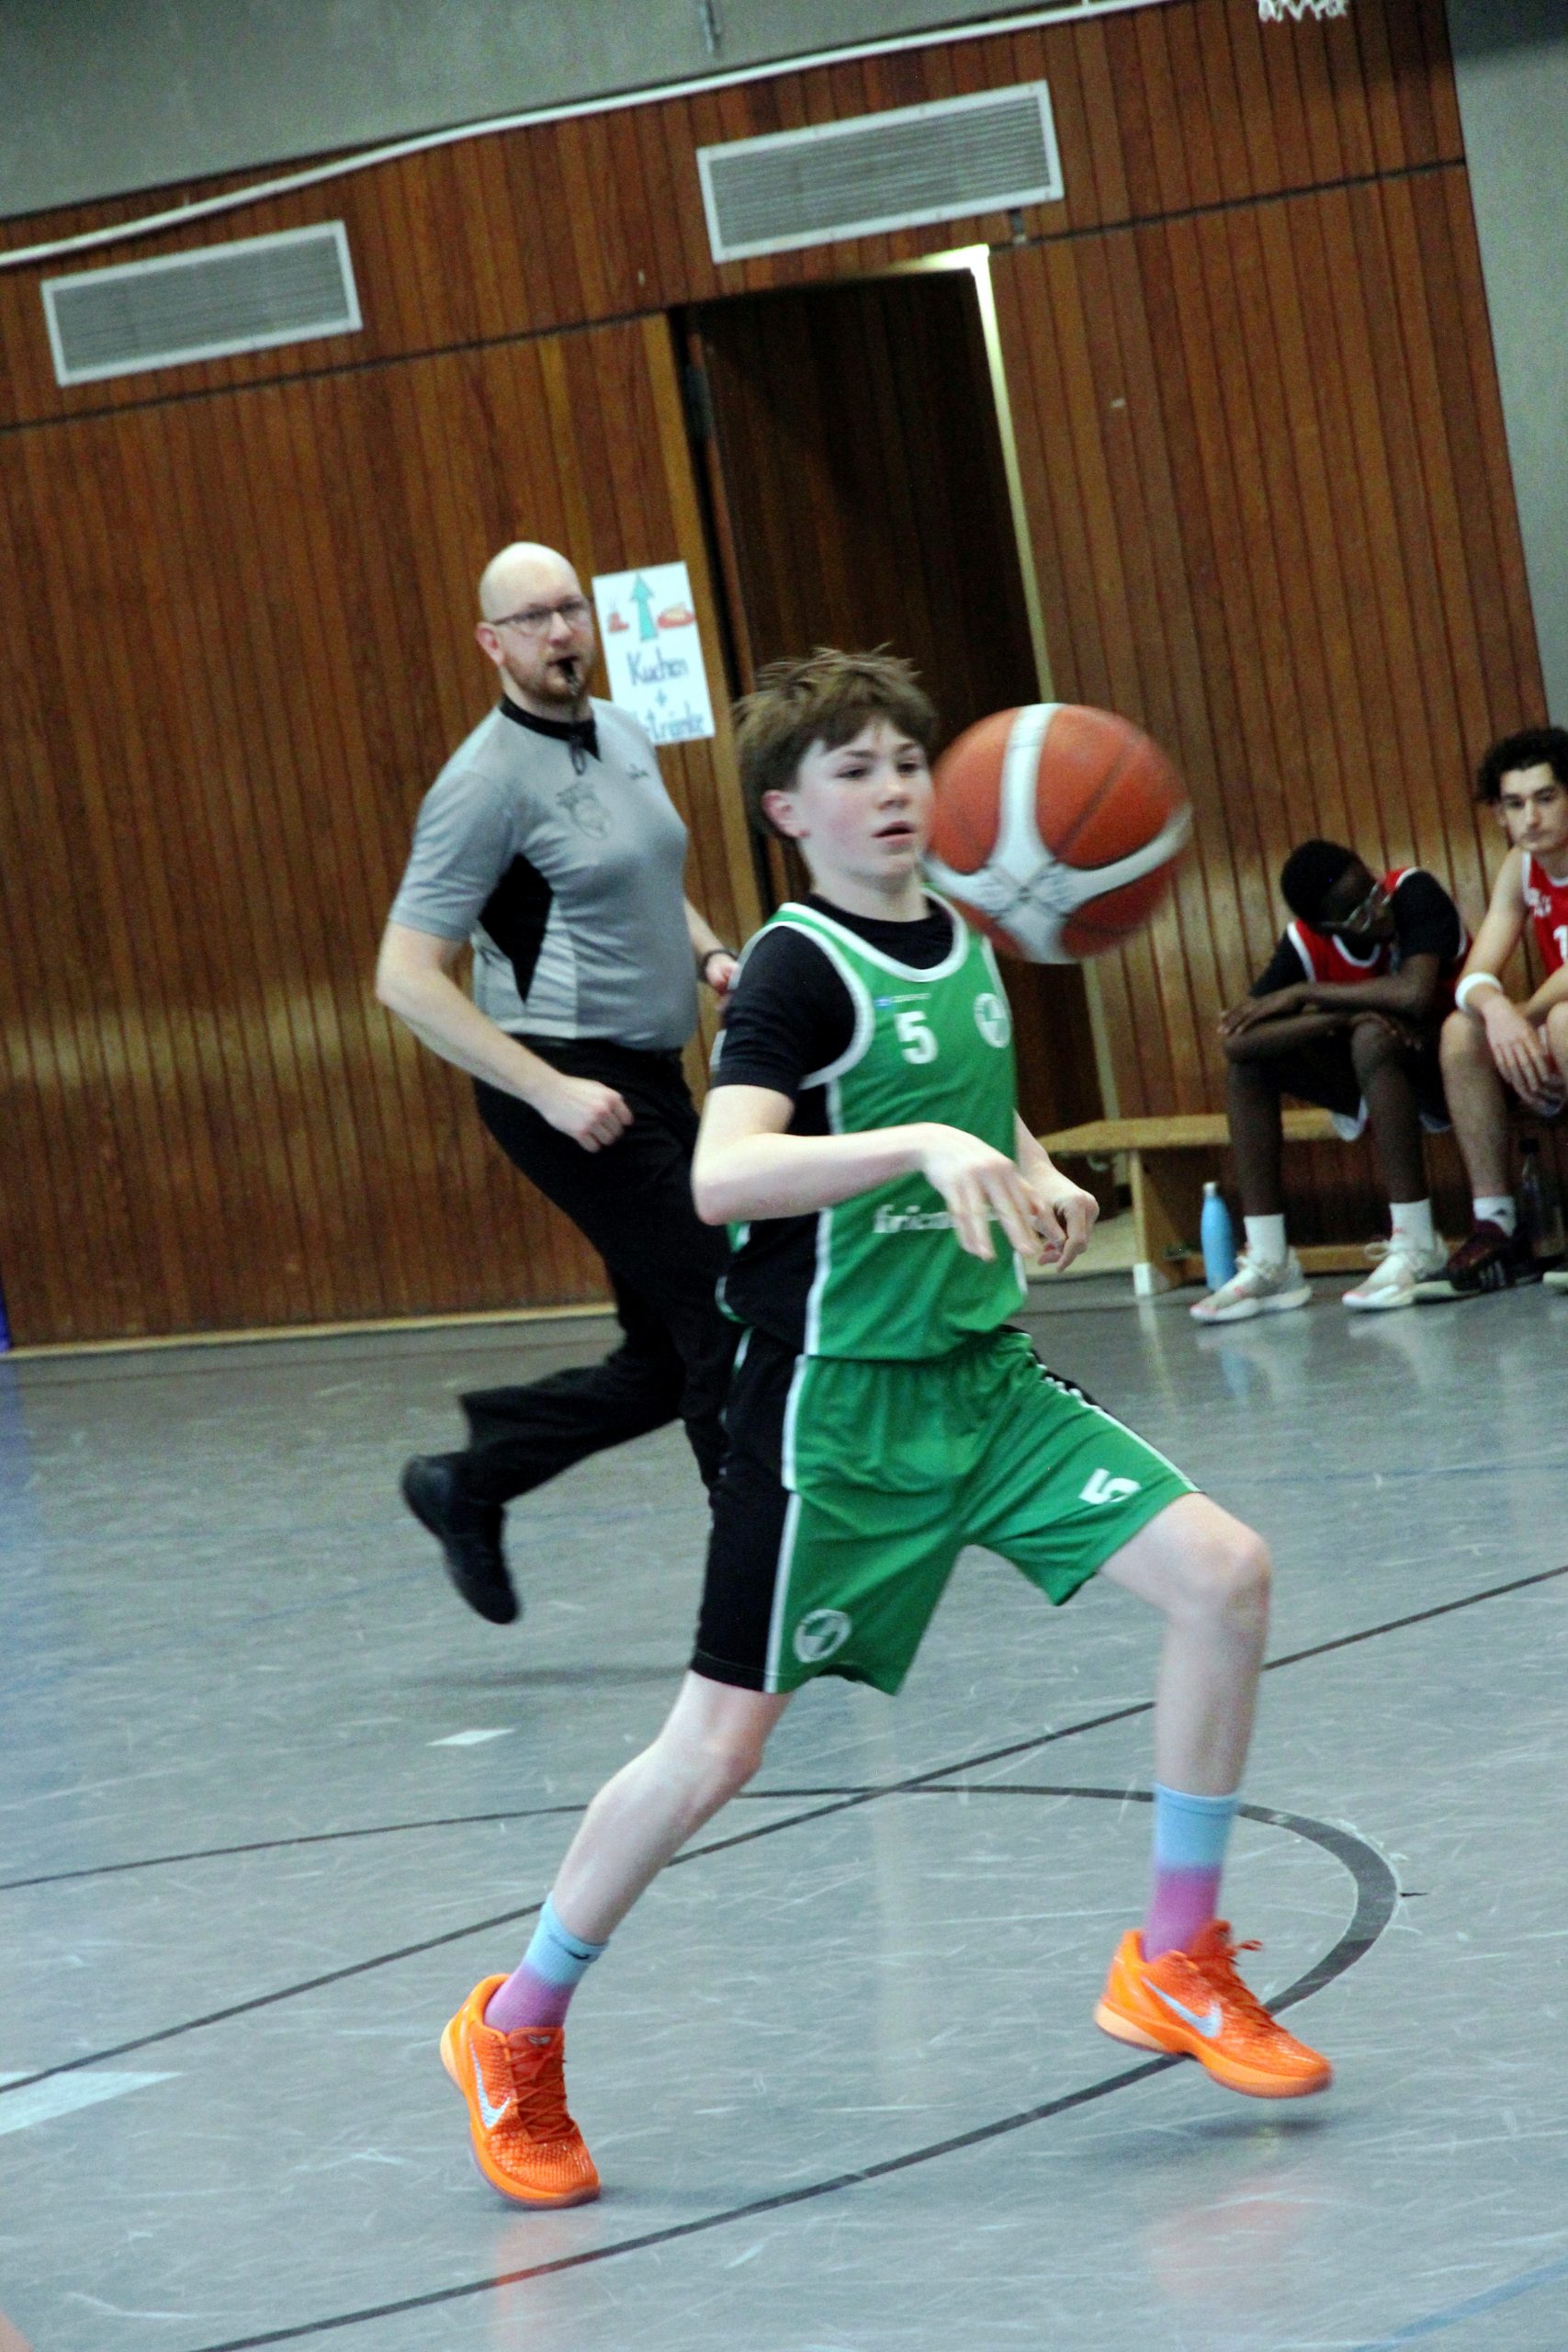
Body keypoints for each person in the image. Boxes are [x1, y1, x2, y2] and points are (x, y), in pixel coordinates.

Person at [438, 650, 1332, 2211]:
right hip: (832, 1415)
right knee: (715, 1750)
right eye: (850, 770)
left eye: (906, 760)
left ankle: (1175, 1953)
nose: (894, 788)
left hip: (981, 1383)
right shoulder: (794, 968)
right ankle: (514, 2025)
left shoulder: (965, 938)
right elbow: (721, 1175)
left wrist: (1027, 1169)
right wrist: (917, 1146)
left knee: (1223, 1575)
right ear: (786, 812)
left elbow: (965, 1099)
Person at [376, 542, 740, 1626]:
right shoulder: (481, 785)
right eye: (532, 619)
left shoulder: (622, 731)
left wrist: (713, 957)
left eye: (570, 609)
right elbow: (404, 977)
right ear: (492, 643)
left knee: (664, 1358)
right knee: (725, 1303)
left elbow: (642, 881)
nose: (560, 632)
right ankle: (757, 1584)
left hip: (653, 1077)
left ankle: (468, 1480)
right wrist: (547, 1089)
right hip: (566, 1086)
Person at [1192, 842, 1468, 1321]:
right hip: (1370, 1076)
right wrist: (1338, 1016)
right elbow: (1239, 1042)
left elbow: (1415, 994)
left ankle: (1418, 1245)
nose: (1379, 910)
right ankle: (1271, 1261)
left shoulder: (1412, 891)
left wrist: (1305, 993)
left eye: (1374, 891)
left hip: (1449, 1071)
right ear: (1327, 928)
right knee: (1250, 1067)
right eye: (1360, 913)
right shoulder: (1304, 941)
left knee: (1371, 1036)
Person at [1414, 727, 1568, 1300]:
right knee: (1462, 1029)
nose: (1531, 817)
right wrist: (1497, 1009)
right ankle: (1496, 1225)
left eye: (1545, 798)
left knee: (1563, 1019)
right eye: (1515, 804)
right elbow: (1475, 976)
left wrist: (1525, 1013)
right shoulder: (1520, 866)